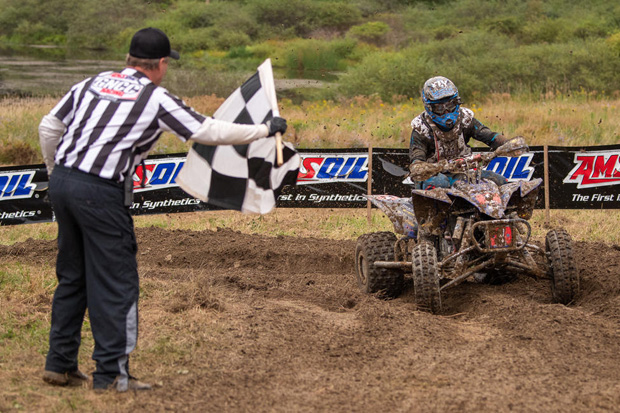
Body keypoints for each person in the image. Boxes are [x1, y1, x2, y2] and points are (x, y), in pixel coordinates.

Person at [38, 27, 287, 392]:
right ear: (160, 63)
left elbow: (49, 127)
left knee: (73, 276)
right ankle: (111, 375)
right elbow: (206, 131)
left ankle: (59, 364)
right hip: (101, 191)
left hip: (63, 181)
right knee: (117, 283)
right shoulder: (155, 98)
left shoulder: (91, 83)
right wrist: (263, 130)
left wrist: (54, 171)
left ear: (129, 59)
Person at [409, 76, 508, 189]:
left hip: (463, 172)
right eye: (439, 108)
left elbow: (489, 136)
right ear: (429, 108)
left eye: (450, 105)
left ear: (457, 102)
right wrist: (425, 167)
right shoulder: (421, 128)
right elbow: (417, 161)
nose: (446, 112)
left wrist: (508, 144)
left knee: (499, 181)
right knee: (440, 183)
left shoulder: (465, 119)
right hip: (433, 176)